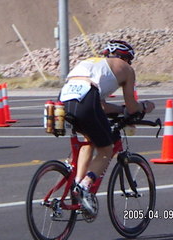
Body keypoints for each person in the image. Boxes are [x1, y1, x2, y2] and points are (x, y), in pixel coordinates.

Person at [59, 40, 155, 214]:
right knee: (106, 149)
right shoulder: (126, 69)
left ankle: (78, 184)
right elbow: (132, 107)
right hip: (87, 99)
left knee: (89, 139)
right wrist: (144, 106)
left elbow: (101, 106)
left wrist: (120, 109)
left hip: (64, 98)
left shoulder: (94, 62)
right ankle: (85, 187)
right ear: (126, 58)